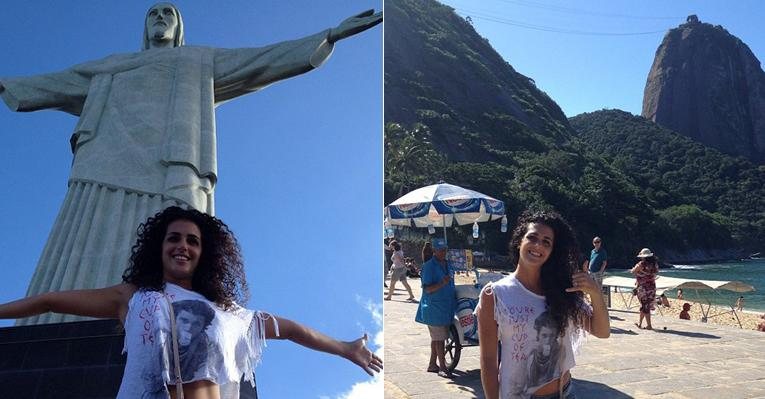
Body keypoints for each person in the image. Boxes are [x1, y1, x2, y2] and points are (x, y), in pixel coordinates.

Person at [0, 3, 382, 324]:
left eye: (168, 13)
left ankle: (165, 323)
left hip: (173, 168)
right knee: (87, 239)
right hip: (102, 165)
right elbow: (53, 83)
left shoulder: (197, 60)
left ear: (179, 26)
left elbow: (259, 61)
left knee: (177, 239)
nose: (160, 18)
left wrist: (329, 35)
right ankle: (50, 329)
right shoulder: (111, 66)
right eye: (153, 13)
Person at [0, 206, 382, 398]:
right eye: (174, 238)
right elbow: (49, 300)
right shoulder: (132, 295)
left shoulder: (226, 312)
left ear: (204, 254)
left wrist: (347, 349)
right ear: (159, 247)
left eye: (192, 241)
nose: (182, 245)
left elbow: (292, 329)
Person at [475, 211, 610, 399]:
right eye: (532, 237)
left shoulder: (562, 291)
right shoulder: (495, 294)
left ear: (552, 251)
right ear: (519, 241)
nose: (538, 245)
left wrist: (595, 293)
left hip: (566, 392)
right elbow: (489, 361)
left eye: (547, 242)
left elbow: (602, 332)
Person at [415, 237, 456, 378]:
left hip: (446, 306)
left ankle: (432, 364)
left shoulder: (448, 264)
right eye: (440, 250)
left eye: (445, 250)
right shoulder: (428, 266)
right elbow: (427, 289)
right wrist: (442, 284)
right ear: (434, 250)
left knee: (437, 337)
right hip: (433, 308)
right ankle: (443, 368)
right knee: (439, 338)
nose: (443, 252)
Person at [631, 248, 659, 330]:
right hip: (652, 287)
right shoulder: (654, 264)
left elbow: (633, 271)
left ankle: (649, 325)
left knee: (645, 305)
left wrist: (639, 272)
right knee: (646, 305)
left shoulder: (641, 264)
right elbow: (655, 273)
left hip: (642, 287)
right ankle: (640, 323)